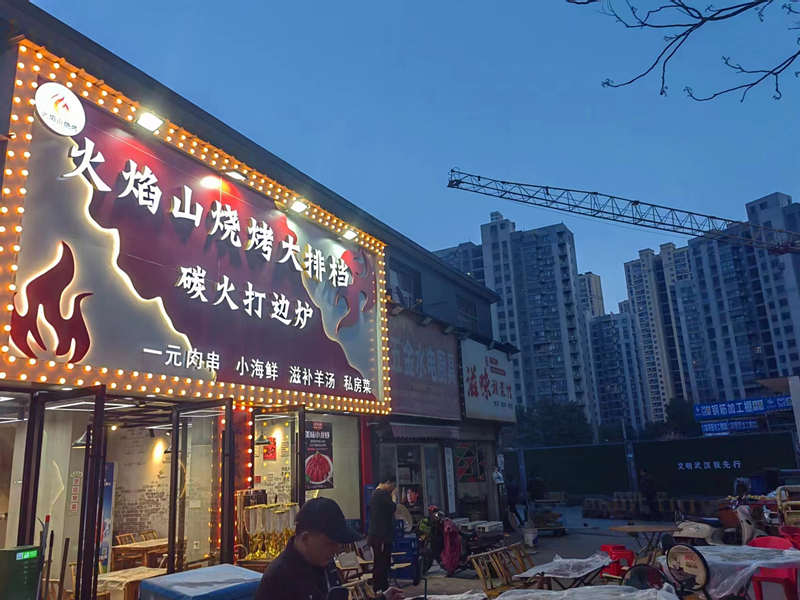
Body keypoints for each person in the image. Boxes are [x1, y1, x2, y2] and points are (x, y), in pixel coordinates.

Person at [255, 497, 402, 600]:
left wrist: (383, 598)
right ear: (305, 538)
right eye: (330, 543)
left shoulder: (324, 565)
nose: (336, 550)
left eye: (338, 544)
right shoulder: (280, 578)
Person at [368, 475, 397, 593]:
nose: (393, 489)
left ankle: (381, 588)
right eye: (393, 486)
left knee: (381, 563)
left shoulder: (376, 494)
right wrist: (394, 497)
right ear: (387, 482)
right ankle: (381, 588)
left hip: (378, 535)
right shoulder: (381, 494)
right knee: (381, 563)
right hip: (381, 536)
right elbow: (392, 507)